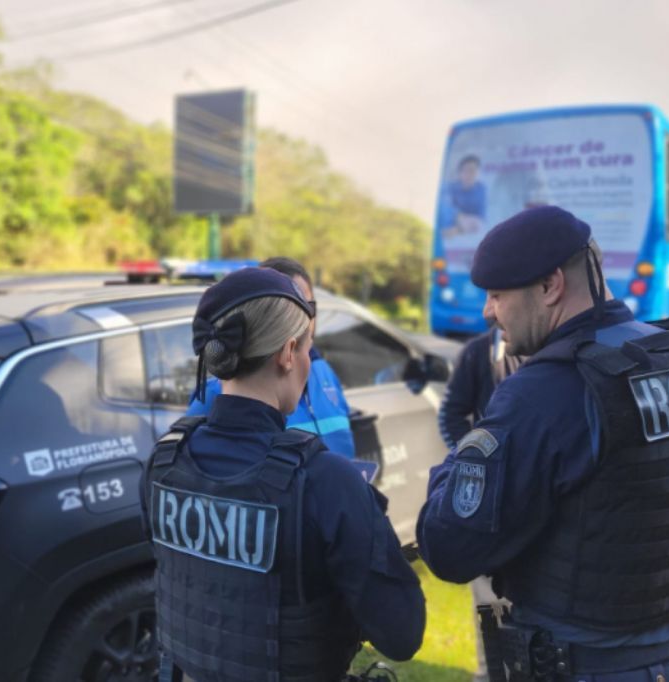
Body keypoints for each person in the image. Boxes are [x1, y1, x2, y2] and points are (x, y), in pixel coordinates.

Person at [417, 205, 669, 681]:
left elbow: (450, 548)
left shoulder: (543, 394)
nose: (488, 312)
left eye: (496, 295)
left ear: (550, 286)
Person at [144, 267, 425, 682]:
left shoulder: (164, 462)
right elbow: (402, 634)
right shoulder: (325, 480)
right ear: (288, 352)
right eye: (309, 349)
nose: (309, 362)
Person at [187, 257, 356, 458]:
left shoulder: (323, 371)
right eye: (287, 308)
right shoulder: (220, 395)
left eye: (307, 306)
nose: (300, 317)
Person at [438, 319, 524, 682]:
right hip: (492, 510)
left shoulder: (553, 355)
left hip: (538, 512)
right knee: (491, 612)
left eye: (499, 295)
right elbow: (451, 414)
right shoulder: (477, 353)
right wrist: (476, 458)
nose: (491, 309)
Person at [442, 154, 487, 238]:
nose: (469, 174)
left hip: (467, 233)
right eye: (466, 170)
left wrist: (458, 229)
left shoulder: (481, 189)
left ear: (478, 173)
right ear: (460, 172)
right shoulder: (450, 188)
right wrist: (458, 216)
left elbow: (481, 218)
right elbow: (445, 209)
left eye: (473, 171)